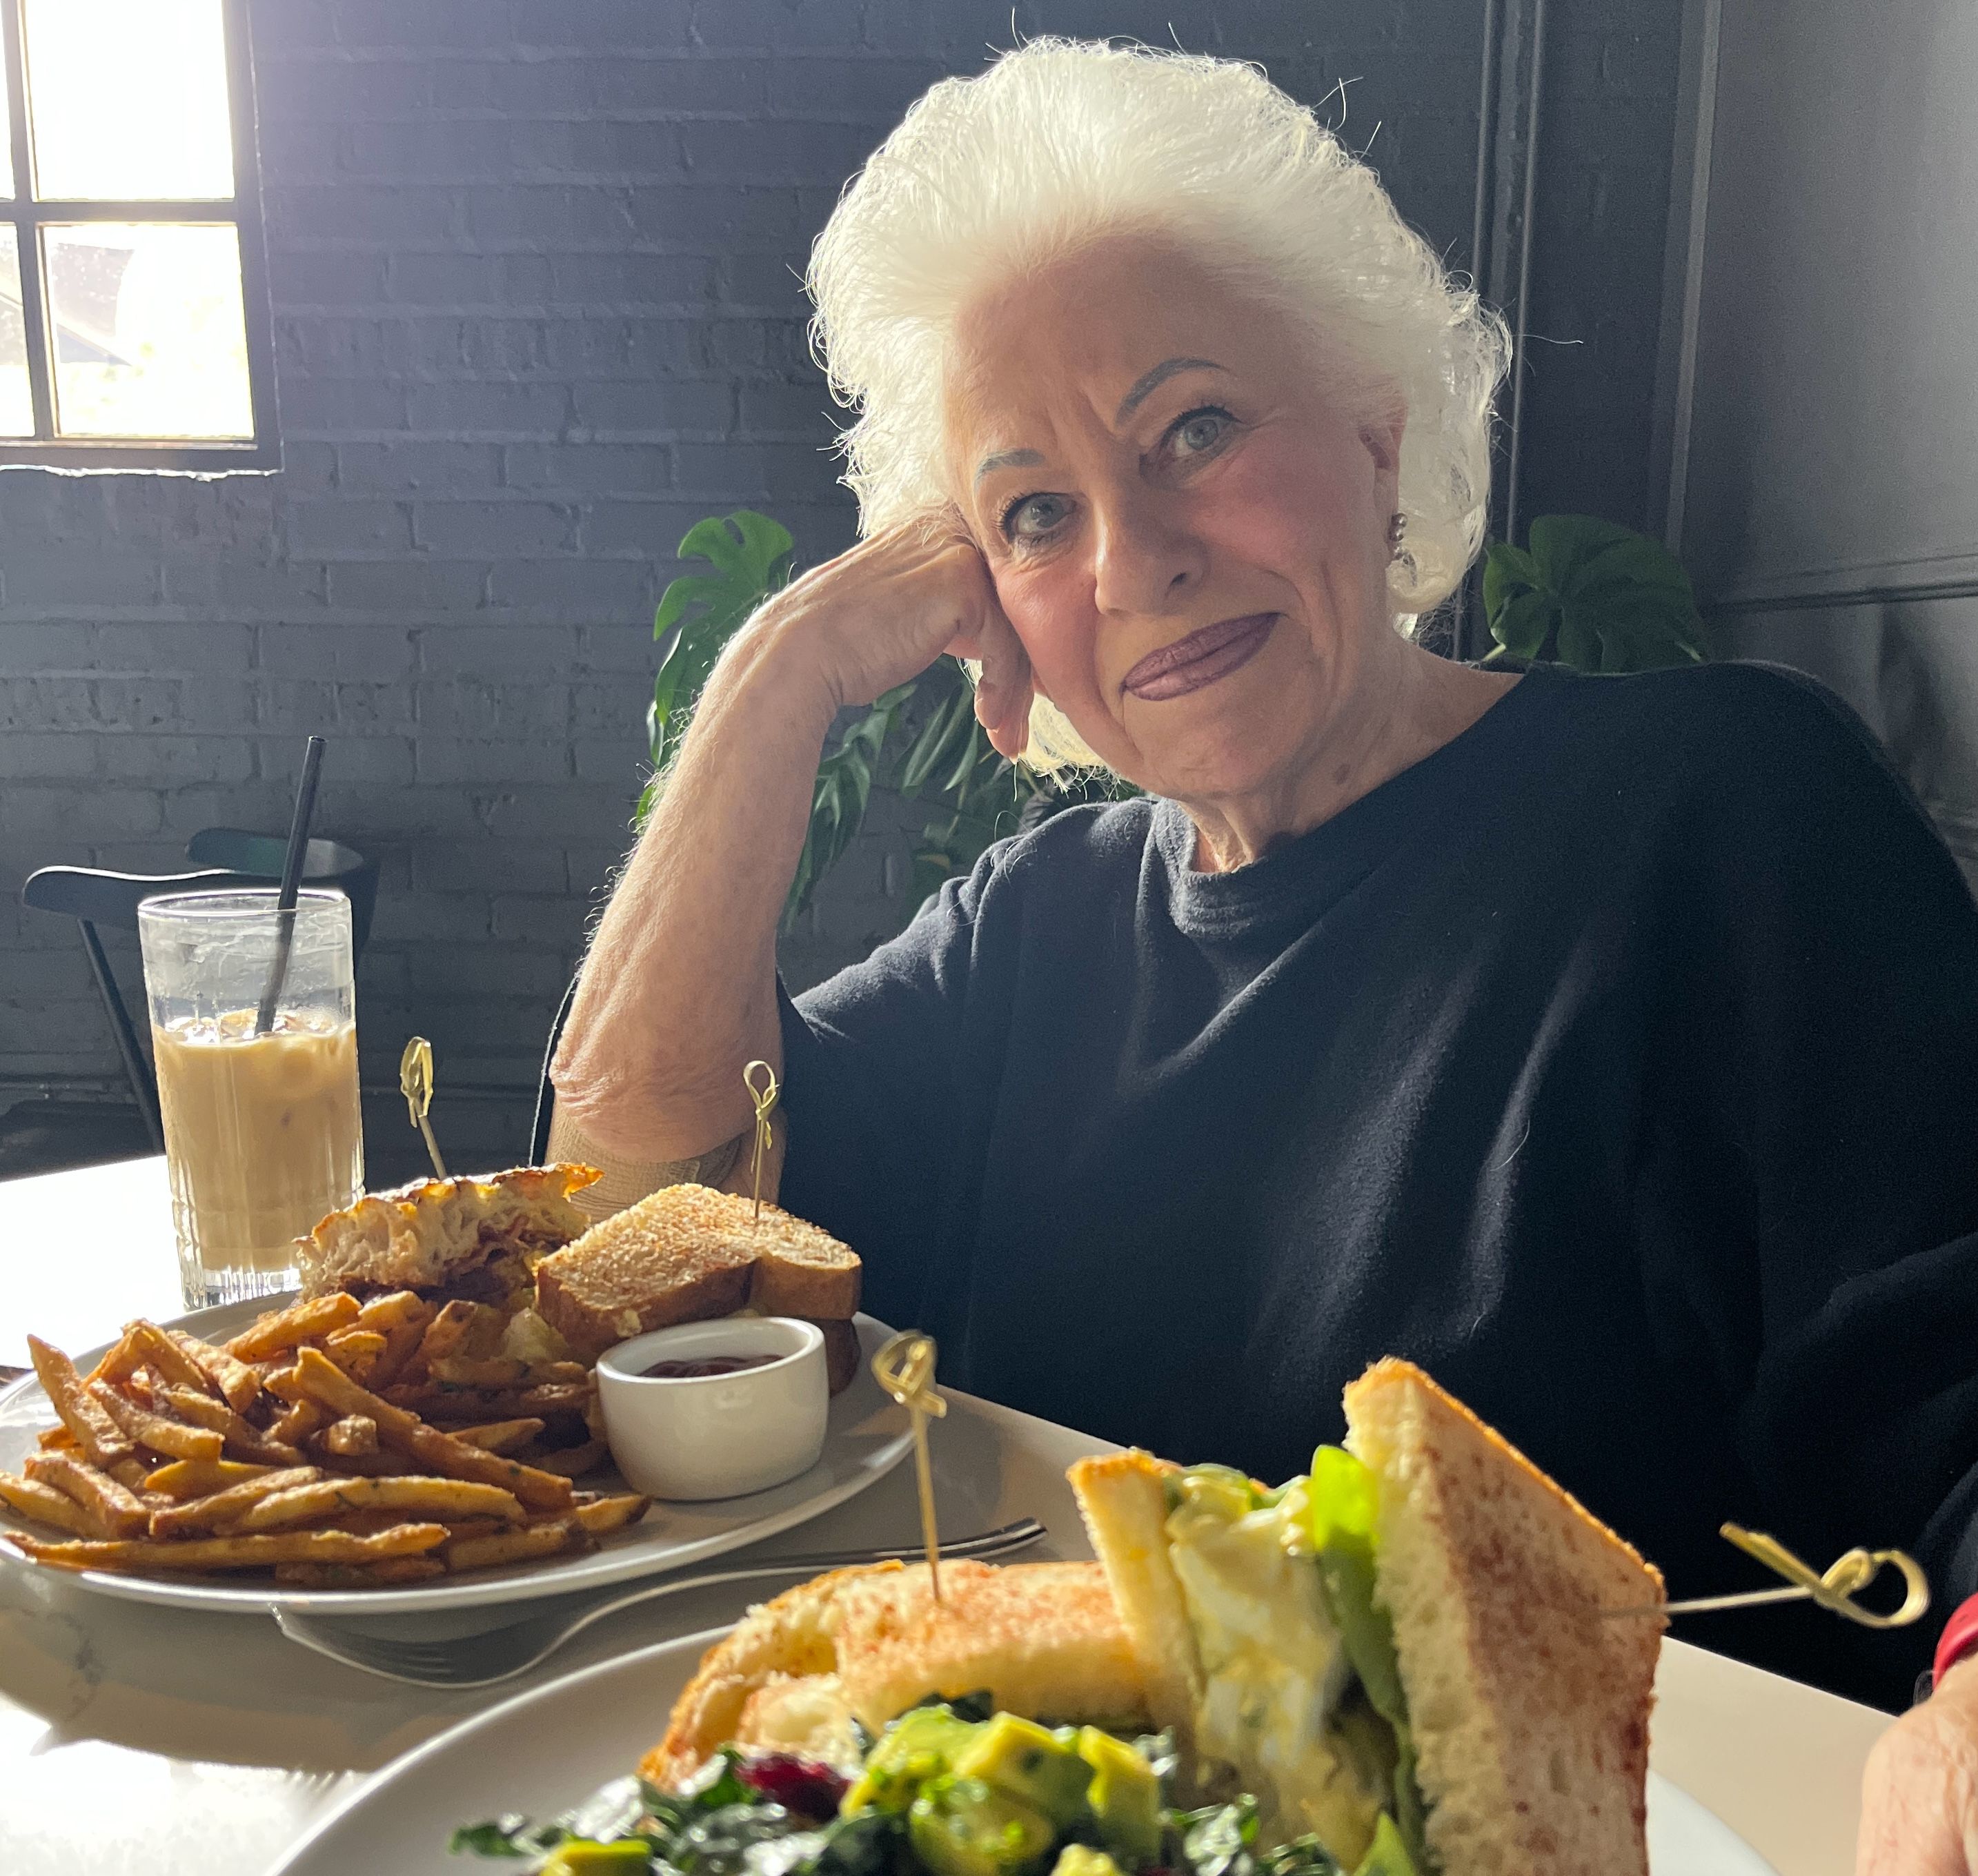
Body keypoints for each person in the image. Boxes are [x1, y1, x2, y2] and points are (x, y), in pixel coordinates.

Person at [551, 40, 1978, 1866]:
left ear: (1376, 439)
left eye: (1196, 429)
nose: (1133, 554)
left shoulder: (1719, 812)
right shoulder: (1030, 929)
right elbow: (629, 1210)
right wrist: (779, 674)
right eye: (1033, 515)